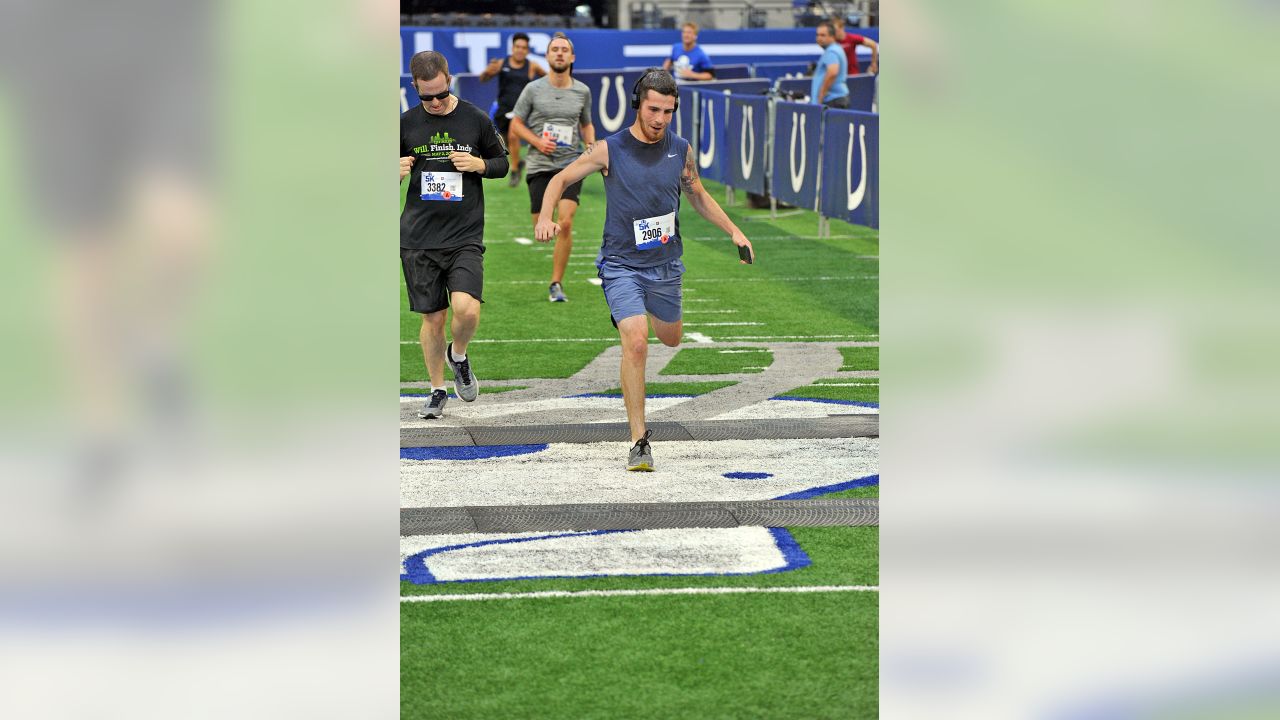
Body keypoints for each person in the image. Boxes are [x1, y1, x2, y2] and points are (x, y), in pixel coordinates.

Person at [534, 69, 754, 471]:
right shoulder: (609, 149)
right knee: (636, 341)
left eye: (668, 112)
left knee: (669, 338)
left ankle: (644, 309)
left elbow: (698, 195)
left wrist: (735, 231)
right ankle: (639, 441)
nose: (660, 119)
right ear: (638, 104)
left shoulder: (681, 149)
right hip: (620, 264)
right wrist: (545, 217)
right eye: (654, 109)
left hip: (665, 265)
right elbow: (560, 178)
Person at [400, 51, 509, 419]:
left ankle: (458, 354)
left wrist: (479, 164)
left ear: (449, 80)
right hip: (418, 237)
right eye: (425, 96)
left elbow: (503, 163)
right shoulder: (404, 125)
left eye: (440, 94)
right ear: (414, 86)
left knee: (467, 309)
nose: (433, 102)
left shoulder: (475, 119)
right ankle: (436, 389)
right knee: (432, 319)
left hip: (463, 235)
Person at [509, 32, 595, 303]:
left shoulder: (582, 91)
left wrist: (591, 145)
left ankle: (556, 282)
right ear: (547, 56)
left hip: (571, 163)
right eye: (554, 49)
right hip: (539, 166)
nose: (559, 53)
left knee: (566, 222)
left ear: (572, 57)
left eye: (563, 49)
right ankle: (545, 227)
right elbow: (515, 124)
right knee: (543, 227)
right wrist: (537, 141)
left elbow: (586, 123)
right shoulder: (533, 89)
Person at [479, 32, 546, 187]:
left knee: (513, 135)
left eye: (524, 47)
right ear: (512, 48)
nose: (520, 50)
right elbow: (483, 78)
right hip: (503, 109)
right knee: (507, 142)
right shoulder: (502, 63)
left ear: (528, 50)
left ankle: (515, 171)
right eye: (518, 47)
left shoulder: (532, 66)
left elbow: (548, 78)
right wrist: (488, 70)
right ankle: (518, 161)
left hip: (522, 109)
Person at [811, 22, 850, 108]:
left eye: (823, 35)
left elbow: (832, 72)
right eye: (817, 35)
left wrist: (821, 95)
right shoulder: (836, 49)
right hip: (837, 99)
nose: (819, 38)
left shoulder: (831, 52)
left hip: (832, 101)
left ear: (832, 36)